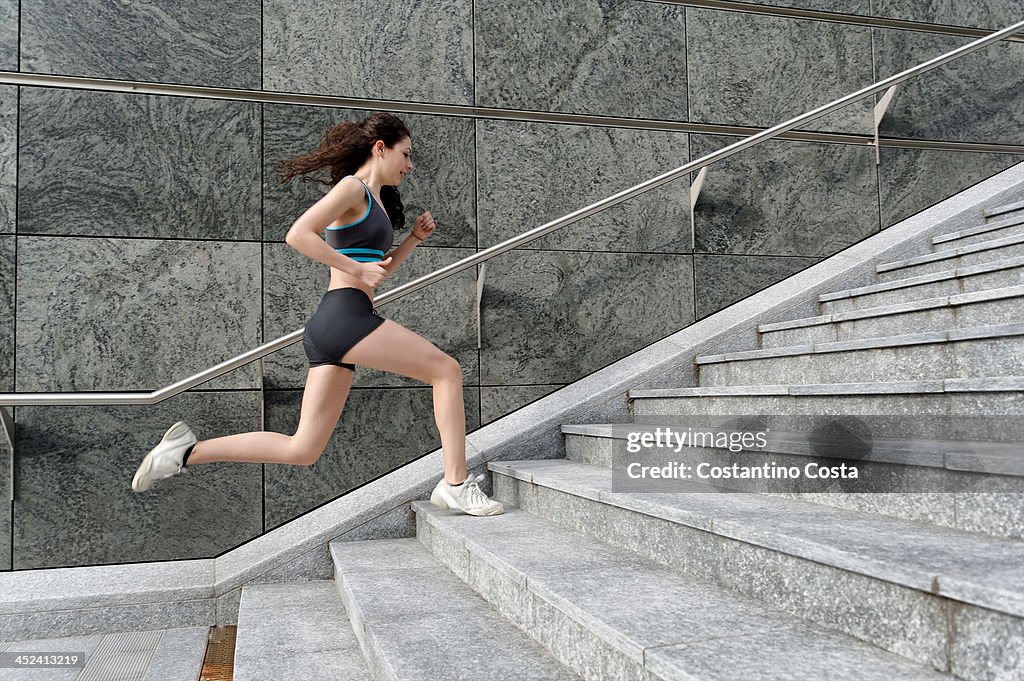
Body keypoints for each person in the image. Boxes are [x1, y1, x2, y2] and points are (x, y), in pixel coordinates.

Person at [131, 112, 503, 517]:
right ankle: (454, 483)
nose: (409, 165)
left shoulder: (374, 200)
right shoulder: (353, 188)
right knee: (446, 370)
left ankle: (186, 452)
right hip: (346, 317)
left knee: (302, 448)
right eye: (405, 154)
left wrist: (411, 239)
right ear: (380, 148)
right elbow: (298, 234)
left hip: (338, 322)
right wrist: (356, 268)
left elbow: (376, 272)